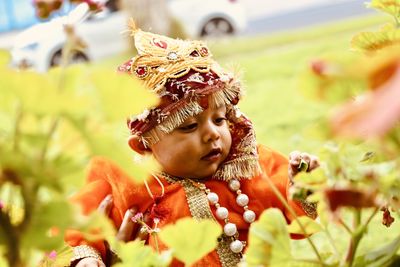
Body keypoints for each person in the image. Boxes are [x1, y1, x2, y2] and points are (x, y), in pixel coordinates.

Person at [65, 22, 319, 267]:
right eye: (188, 126)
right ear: (144, 146)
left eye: (220, 119)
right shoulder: (127, 183)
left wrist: (302, 188)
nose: (213, 134)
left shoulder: (248, 167)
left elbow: (293, 219)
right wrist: (88, 256)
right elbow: (77, 223)